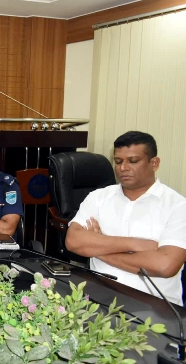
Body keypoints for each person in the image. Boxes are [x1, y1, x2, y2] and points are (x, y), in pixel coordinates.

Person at [65, 131, 186, 305]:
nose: (123, 168)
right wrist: (136, 244)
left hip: (154, 306)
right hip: (98, 298)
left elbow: (165, 266)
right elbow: (73, 241)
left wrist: (97, 248)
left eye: (133, 161)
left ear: (154, 163)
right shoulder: (98, 197)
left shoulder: (178, 206)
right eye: (118, 161)